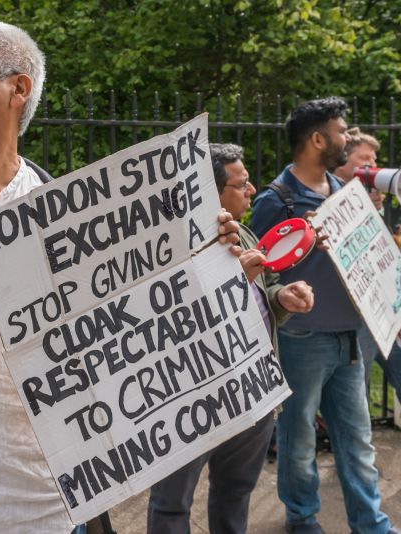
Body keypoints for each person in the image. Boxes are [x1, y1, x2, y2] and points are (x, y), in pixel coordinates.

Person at [0, 16, 243, 534]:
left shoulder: (77, 221)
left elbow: (131, 342)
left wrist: (210, 262)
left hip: (29, 504)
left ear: (18, 88)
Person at [147, 143, 314, 534]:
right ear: (210, 191)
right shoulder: (167, 242)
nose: (252, 190)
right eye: (241, 185)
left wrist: (283, 298)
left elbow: (265, 292)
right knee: (172, 503)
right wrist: (232, 282)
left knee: (236, 491)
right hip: (190, 396)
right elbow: (160, 321)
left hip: (252, 389)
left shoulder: (245, 231)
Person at [250, 97, 398, 534]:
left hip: (350, 337)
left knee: (358, 441)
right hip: (303, 339)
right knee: (298, 442)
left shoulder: (347, 194)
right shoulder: (275, 200)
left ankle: (371, 524)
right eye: (341, 130)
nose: (348, 137)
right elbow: (258, 275)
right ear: (317, 139)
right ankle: (302, 519)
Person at [334, 131, 401, 479]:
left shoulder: (371, 200)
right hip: (354, 316)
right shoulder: (326, 199)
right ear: (342, 160)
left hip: (391, 310)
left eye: (375, 162)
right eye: (366, 161)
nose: (374, 168)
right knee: (353, 397)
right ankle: (357, 465)